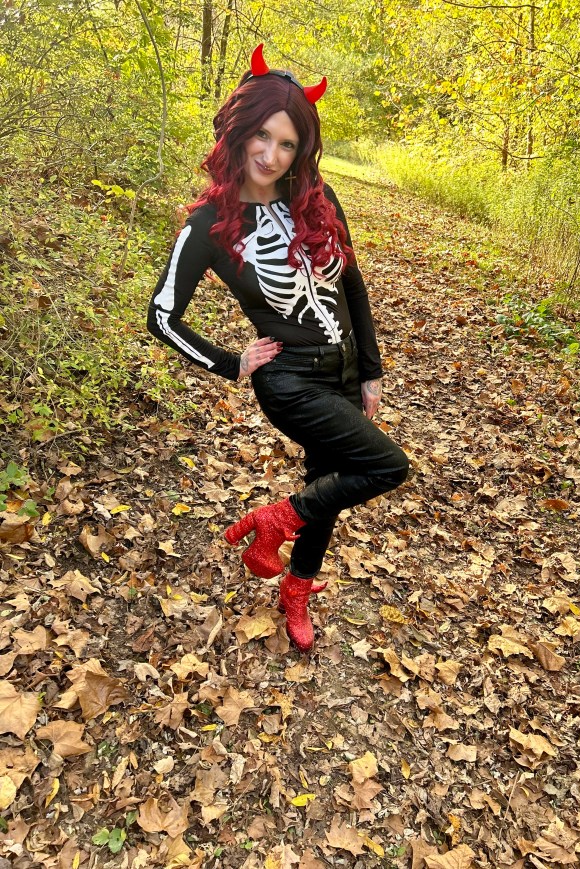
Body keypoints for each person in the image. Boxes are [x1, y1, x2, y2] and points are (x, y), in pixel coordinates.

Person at [147, 44, 409, 652]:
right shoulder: (208, 224)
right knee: (386, 466)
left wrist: (370, 371)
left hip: (343, 369)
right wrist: (229, 363)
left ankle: (297, 588)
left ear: (302, 149)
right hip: (290, 381)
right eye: (262, 136)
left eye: (287, 144)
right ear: (238, 131)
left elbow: (352, 285)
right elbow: (161, 314)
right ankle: (272, 521)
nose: (271, 155)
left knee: (330, 483)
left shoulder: (315, 197)